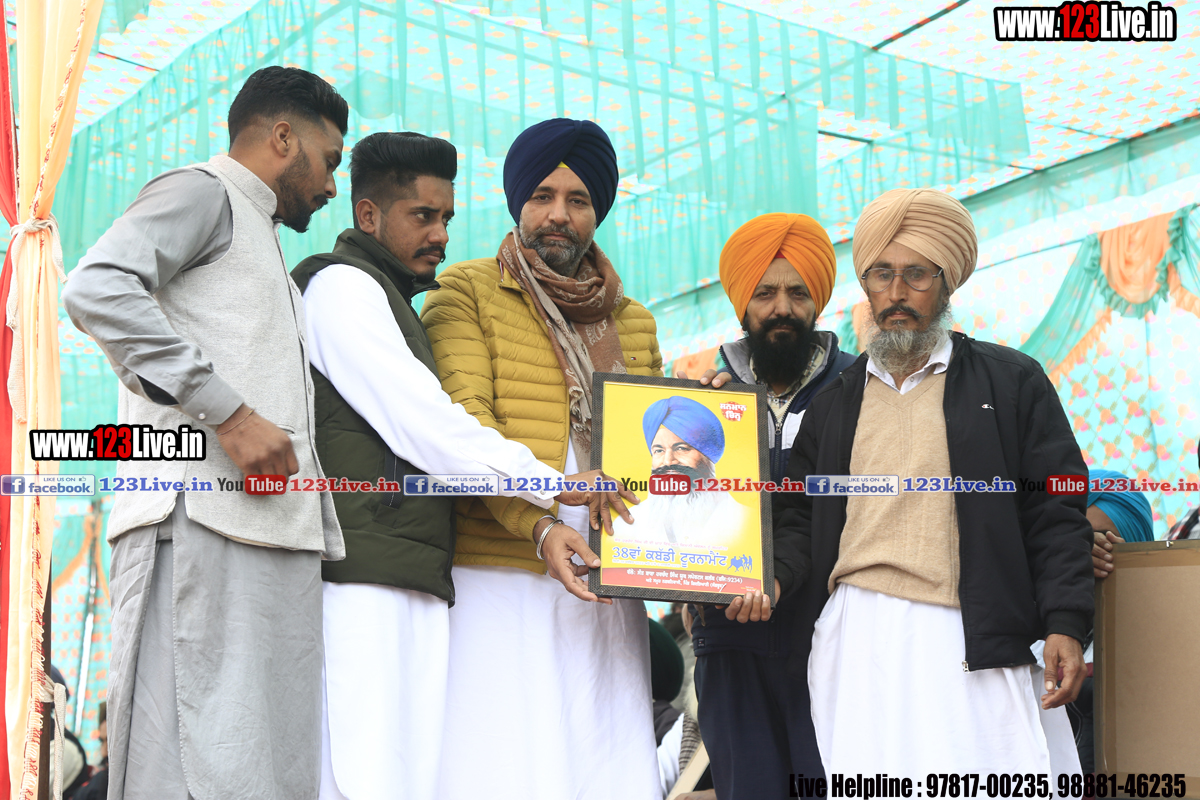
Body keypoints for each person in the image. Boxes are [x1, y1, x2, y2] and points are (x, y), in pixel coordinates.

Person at [292, 131, 634, 800]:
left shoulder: (388, 298)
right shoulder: (341, 288)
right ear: (369, 215)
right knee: (367, 777)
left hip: (409, 570)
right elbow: (428, 424)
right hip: (367, 576)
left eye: (446, 216)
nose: (441, 235)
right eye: (423, 216)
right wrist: (549, 487)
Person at [62, 66, 348, 800]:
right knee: (187, 768)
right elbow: (95, 286)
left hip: (255, 532)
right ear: (282, 137)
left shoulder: (258, 230)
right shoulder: (204, 192)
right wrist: (230, 412)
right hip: (195, 523)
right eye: (329, 161)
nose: (331, 186)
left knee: (258, 772)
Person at [774, 187, 1094, 776]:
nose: (896, 293)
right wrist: (767, 577)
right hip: (858, 637)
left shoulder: (1011, 382)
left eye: (916, 275)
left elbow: (1056, 512)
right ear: (866, 286)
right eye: (881, 275)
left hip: (973, 631)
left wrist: (1066, 623)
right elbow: (796, 518)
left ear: (947, 284)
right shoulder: (832, 407)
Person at [421, 117, 662, 798]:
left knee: (602, 759)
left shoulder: (633, 320)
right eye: (543, 196)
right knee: (504, 762)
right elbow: (463, 430)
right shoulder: (466, 291)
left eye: (578, 199)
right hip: (502, 568)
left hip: (610, 579)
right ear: (518, 203)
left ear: (597, 212)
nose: (559, 214)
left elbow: (653, 451)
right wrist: (541, 523)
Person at [689, 212, 854, 798]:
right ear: (742, 303)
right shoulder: (702, 401)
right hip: (728, 640)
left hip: (832, 643)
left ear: (818, 301)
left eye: (797, 293)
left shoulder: (860, 391)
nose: (782, 308)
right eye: (764, 293)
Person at [1068, 467, 1156, 772]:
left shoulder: (1170, 632)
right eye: (1079, 537)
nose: (1092, 551)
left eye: (1103, 538)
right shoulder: (1034, 624)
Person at [612, 396, 750, 546]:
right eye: (659, 450)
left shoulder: (748, 523)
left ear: (707, 455)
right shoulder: (627, 526)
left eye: (681, 448)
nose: (668, 461)